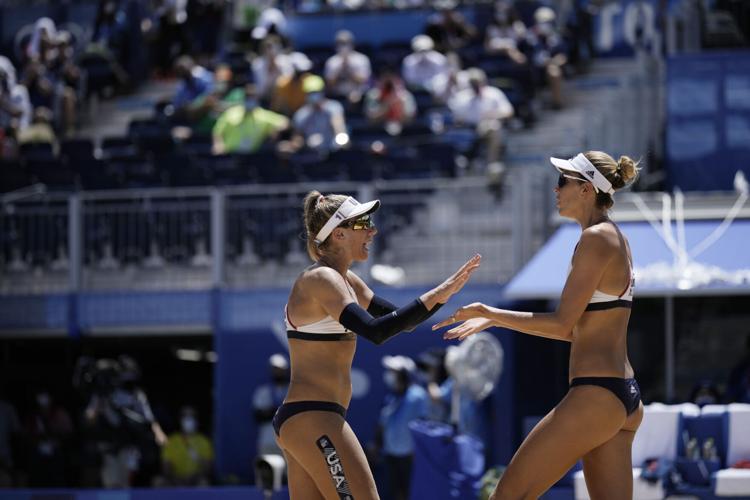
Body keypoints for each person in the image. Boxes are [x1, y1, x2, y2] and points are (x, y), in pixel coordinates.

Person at [435, 151, 642, 499]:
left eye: (563, 180)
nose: (555, 188)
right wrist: (495, 319)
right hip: (620, 396)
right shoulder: (613, 237)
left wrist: (491, 313)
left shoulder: (595, 239)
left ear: (587, 189)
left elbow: (562, 326)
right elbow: (577, 329)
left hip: (597, 393)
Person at [274, 191, 481, 499]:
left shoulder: (348, 281)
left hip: (308, 419)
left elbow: (400, 321)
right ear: (339, 233)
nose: (373, 230)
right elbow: (377, 331)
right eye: (364, 223)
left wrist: (444, 294)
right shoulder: (321, 279)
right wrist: (438, 292)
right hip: (313, 418)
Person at [374, 355, 428, 500]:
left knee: (409, 493)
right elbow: (382, 425)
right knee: (395, 493)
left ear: (404, 374)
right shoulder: (391, 398)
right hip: (391, 453)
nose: (390, 375)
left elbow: (425, 425)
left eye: (394, 372)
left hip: (410, 455)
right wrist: (377, 446)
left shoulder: (418, 396)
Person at [161, 406, 214, 486]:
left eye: (192, 416)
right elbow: (166, 468)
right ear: (180, 419)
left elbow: (208, 469)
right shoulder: (171, 441)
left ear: (197, 420)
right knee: (158, 482)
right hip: (175, 480)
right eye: (185, 416)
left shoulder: (204, 442)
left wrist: (194, 476)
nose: (188, 419)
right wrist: (176, 479)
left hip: (196, 480)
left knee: (204, 483)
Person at [253, 354, 290, 456]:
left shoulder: (292, 392)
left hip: (289, 443)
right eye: (274, 369)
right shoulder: (262, 392)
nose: (277, 372)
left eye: (280, 369)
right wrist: (283, 411)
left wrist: (271, 411)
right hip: (267, 441)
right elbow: (258, 417)